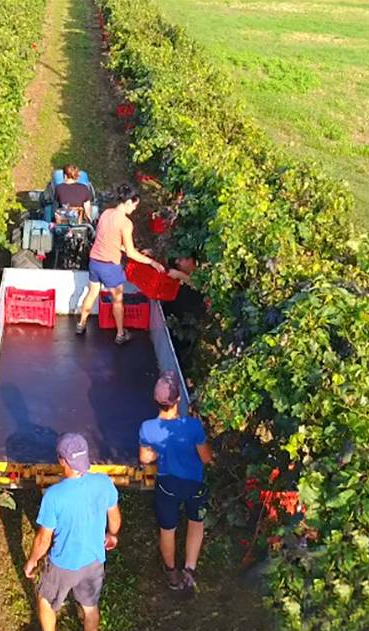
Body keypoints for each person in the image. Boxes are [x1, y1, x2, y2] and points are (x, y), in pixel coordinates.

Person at [23, 433, 121, 631]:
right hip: (94, 560)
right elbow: (114, 517)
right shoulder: (104, 482)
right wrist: (112, 535)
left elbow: (44, 538)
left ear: (63, 461)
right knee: (90, 607)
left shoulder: (54, 496)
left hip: (62, 564)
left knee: (45, 600)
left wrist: (32, 561)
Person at [138, 372, 213, 591]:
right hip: (194, 484)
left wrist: (159, 452)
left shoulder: (147, 428)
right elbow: (205, 458)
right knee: (195, 523)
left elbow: (145, 458)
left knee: (167, 529)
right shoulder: (193, 427)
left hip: (167, 486)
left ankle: (172, 574)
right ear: (178, 400)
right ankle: (189, 570)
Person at [76, 184, 165, 344]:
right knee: (117, 300)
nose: (134, 209)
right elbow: (130, 253)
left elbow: (110, 240)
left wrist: (136, 250)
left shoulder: (106, 214)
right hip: (110, 266)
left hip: (95, 261)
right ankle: (120, 333)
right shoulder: (125, 223)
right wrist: (152, 262)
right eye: (135, 205)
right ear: (129, 202)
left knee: (92, 293)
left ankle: (81, 324)